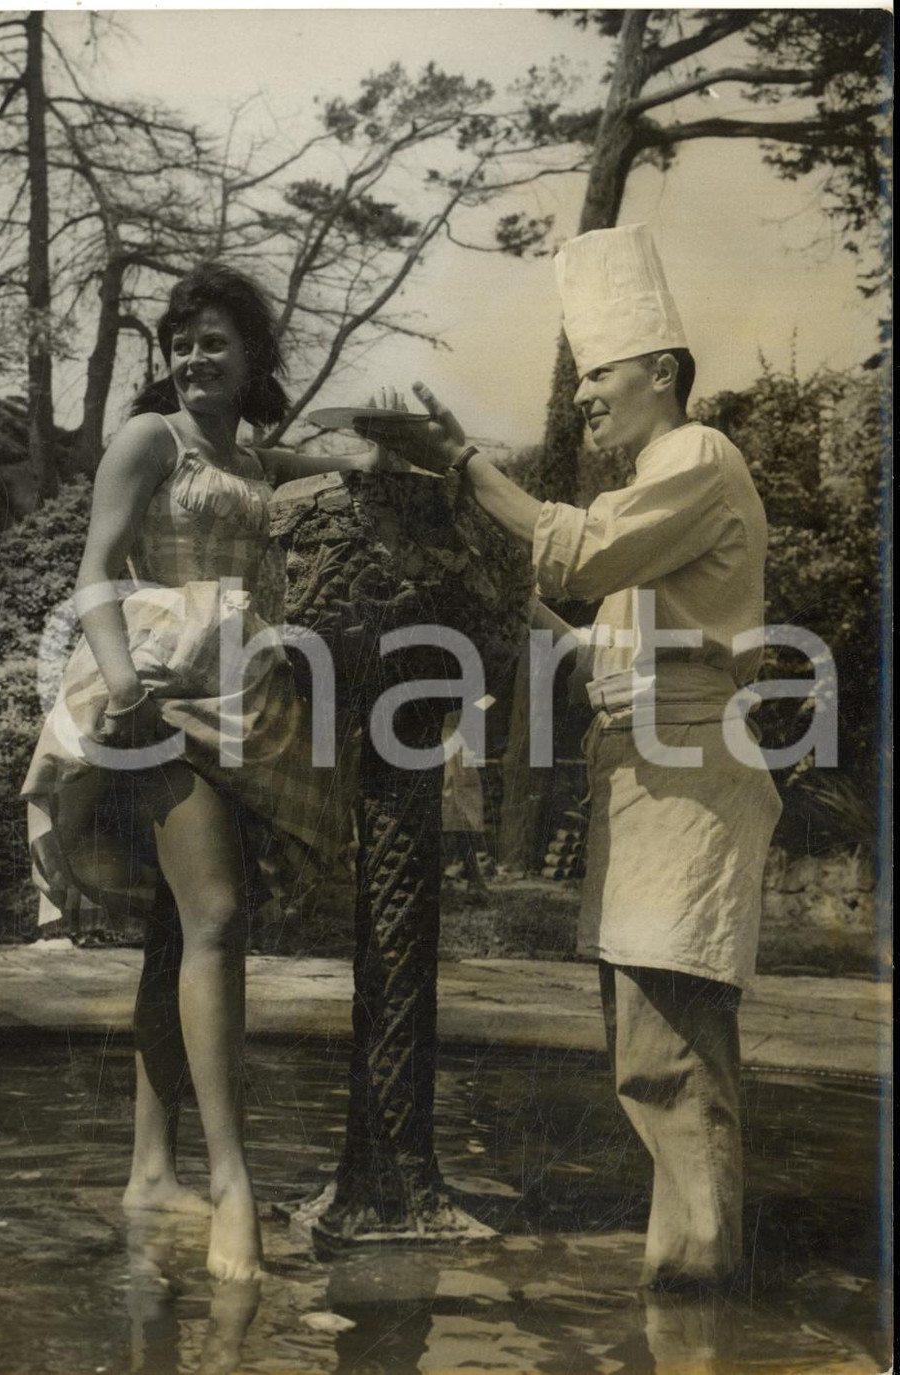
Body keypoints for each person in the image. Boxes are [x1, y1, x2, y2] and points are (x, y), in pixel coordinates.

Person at [359, 223, 783, 1290]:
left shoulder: (692, 456)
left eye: (598, 372)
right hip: (650, 781)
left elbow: (581, 544)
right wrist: (488, 573)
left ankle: (697, 1305)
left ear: (663, 372)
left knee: (668, 1061)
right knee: (653, 1058)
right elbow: (597, 636)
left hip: (685, 778)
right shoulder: (661, 499)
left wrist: (464, 460)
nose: (583, 394)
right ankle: (687, 1284)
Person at [22, 263, 393, 1281]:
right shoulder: (152, 439)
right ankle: (232, 1182)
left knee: (177, 934)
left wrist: (392, 451)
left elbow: (334, 464)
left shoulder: (256, 458)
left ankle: (151, 1171)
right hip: (158, 693)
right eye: (179, 342)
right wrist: (119, 685)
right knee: (218, 914)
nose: (191, 357)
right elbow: (96, 569)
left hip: (243, 699)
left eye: (213, 340)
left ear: (254, 357)